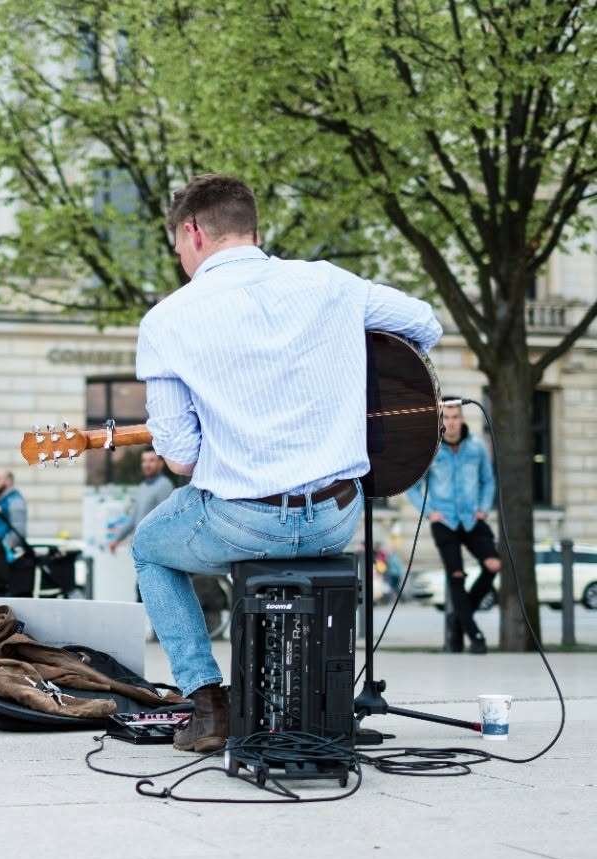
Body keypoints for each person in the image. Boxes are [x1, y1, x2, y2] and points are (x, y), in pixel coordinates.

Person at [130, 175, 442, 752]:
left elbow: (180, 458)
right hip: (335, 518)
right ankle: (293, 702)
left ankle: (207, 702)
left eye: (177, 245)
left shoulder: (167, 320)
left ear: (193, 231)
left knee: (150, 549)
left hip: (244, 520)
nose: (180, 258)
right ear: (252, 228)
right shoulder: (329, 282)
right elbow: (425, 323)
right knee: (261, 542)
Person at [406, 401, 499, 654]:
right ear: (440, 420)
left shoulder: (477, 447)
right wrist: (429, 513)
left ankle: (459, 621)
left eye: (455, 417)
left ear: (462, 418)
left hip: (472, 518)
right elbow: (413, 487)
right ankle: (475, 636)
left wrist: (484, 508)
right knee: (456, 575)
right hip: (444, 521)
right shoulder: (431, 449)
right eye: (446, 417)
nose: (451, 422)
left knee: (493, 564)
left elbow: (487, 481)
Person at [108, 448, 174, 554]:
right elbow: (133, 519)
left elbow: (166, 522)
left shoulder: (165, 485)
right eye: (144, 461)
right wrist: (116, 540)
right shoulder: (142, 487)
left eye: (151, 460)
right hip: (139, 550)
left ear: (161, 463)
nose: (147, 464)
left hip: (154, 551)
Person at [0, 471, 28, 558]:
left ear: (8, 482)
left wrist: (3, 548)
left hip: (2, 555)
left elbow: (18, 530)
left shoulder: (15, 501)